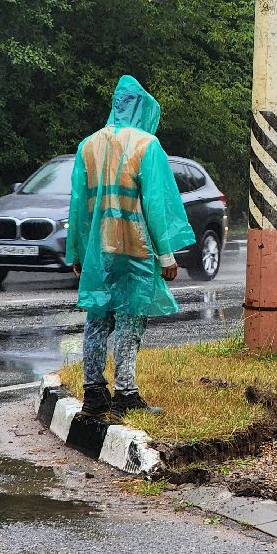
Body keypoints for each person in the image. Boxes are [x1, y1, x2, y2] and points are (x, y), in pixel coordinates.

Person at [65, 76, 194, 420]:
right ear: (141, 109)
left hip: (98, 252)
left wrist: (77, 253)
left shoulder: (87, 146)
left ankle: (93, 393)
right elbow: (156, 205)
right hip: (134, 248)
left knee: (96, 317)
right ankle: (126, 392)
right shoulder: (146, 145)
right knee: (129, 319)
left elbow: (77, 206)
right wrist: (166, 255)